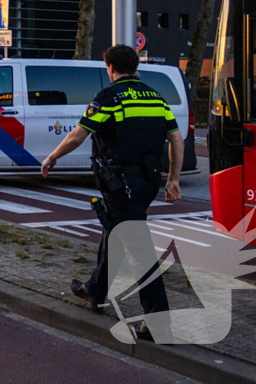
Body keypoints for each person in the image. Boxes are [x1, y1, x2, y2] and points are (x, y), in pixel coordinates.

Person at [41, 44, 183, 342]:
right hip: (148, 182)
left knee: (139, 250)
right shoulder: (155, 97)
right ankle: (95, 290)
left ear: (110, 68)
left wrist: (53, 156)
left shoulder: (108, 97)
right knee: (114, 232)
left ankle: (157, 322)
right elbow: (176, 139)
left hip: (121, 183)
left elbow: (78, 136)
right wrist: (173, 180)